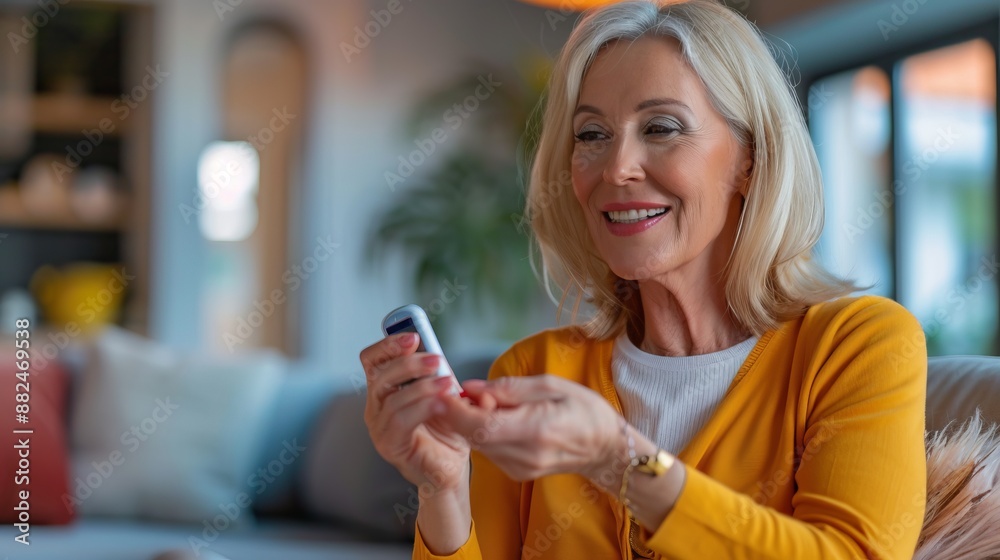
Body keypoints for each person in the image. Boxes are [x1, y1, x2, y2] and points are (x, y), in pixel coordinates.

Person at [360, 0, 927, 558]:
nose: (617, 167)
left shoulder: (858, 346)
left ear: (749, 159)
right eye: (591, 135)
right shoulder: (536, 368)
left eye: (661, 127)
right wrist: (443, 487)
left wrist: (616, 459)